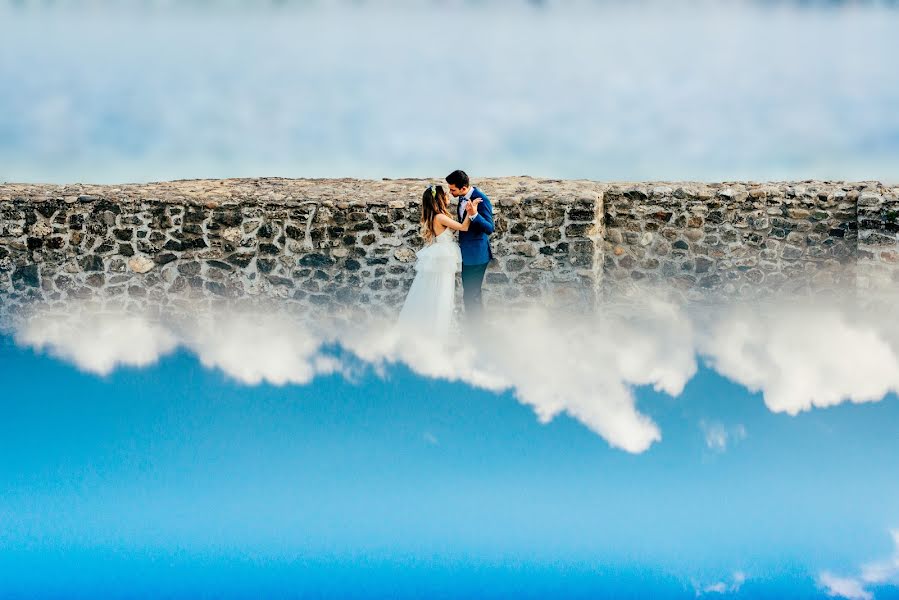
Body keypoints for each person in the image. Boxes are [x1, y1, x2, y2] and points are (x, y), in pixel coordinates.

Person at [396, 184, 480, 338]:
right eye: (446, 195)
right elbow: (463, 227)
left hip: (441, 255)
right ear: (440, 199)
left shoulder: (435, 216)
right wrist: (471, 211)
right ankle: (437, 332)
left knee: (437, 292)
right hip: (443, 257)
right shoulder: (440, 217)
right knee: (442, 294)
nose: (449, 197)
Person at [445, 169, 495, 319]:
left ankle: (476, 331)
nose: (450, 192)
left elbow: (489, 228)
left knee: (471, 296)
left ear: (464, 188)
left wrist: (474, 215)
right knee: (471, 293)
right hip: (468, 255)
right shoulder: (462, 197)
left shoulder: (481, 199)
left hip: (476, 256)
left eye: (452, 189)